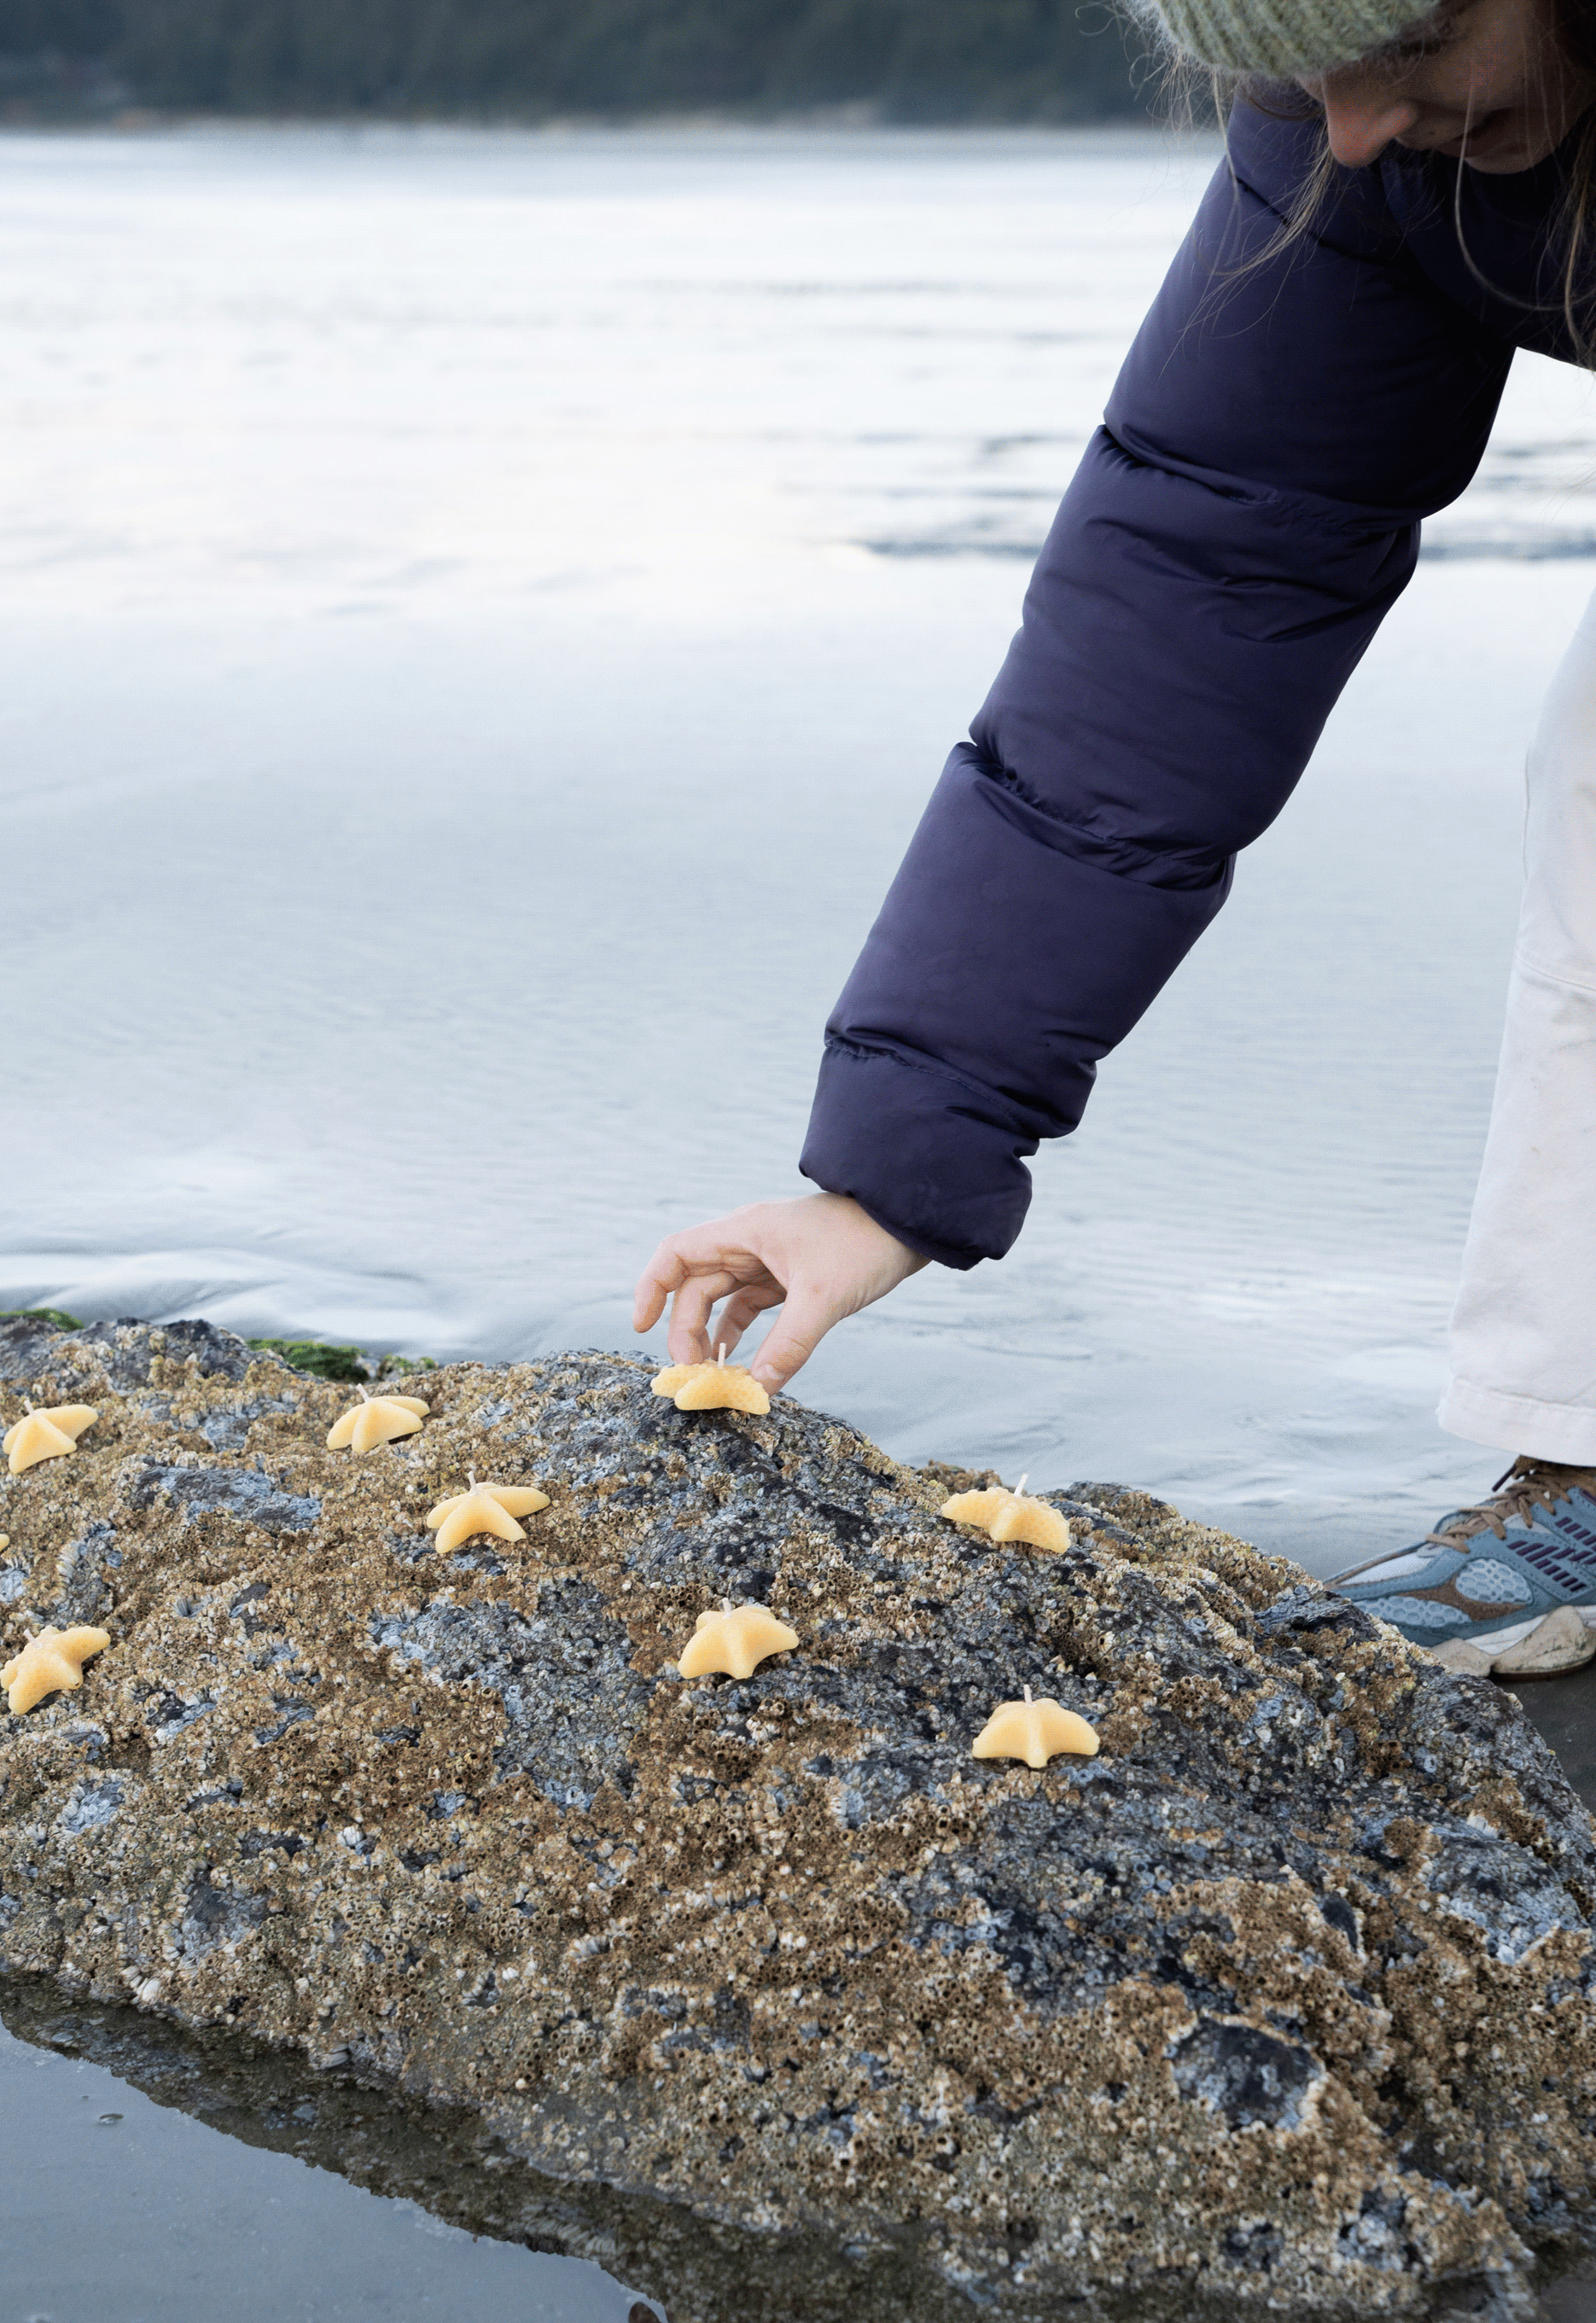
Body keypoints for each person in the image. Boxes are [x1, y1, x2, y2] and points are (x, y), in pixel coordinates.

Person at [632, 0, 1596, 1680]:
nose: (1356, 127)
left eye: (1411, 44)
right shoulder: (1343, 152)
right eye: (1304, 72)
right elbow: (1187, 591)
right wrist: (888, 1171)